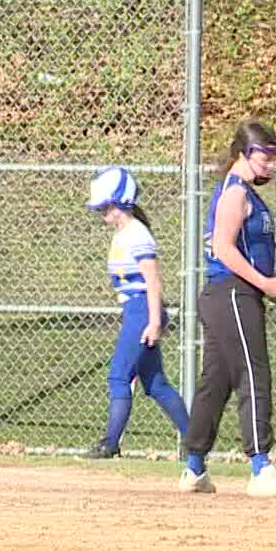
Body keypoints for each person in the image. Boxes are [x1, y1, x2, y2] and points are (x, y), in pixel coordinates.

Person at [182, 119, 276, 498]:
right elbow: (223, 247)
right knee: (253, 374)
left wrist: (273, 282)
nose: (270, 164)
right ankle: (261, 466)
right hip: (233, 293)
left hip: (228, 296)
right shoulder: (235, 193)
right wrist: (266, 284)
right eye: (265, 156)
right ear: (244, 155)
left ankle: (194, 467)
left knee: (215, 384)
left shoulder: (244, 192)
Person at [82, 167, 188, 464]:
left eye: (107, 207)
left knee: (118, 376)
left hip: (143, 310)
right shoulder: (123, 234)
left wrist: (154, 321)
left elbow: (152, 280)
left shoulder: (137, 234)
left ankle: (111, 443)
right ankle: (195, 439)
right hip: (136, 309)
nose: (103, 214)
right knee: (155, 384)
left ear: (122, 203)